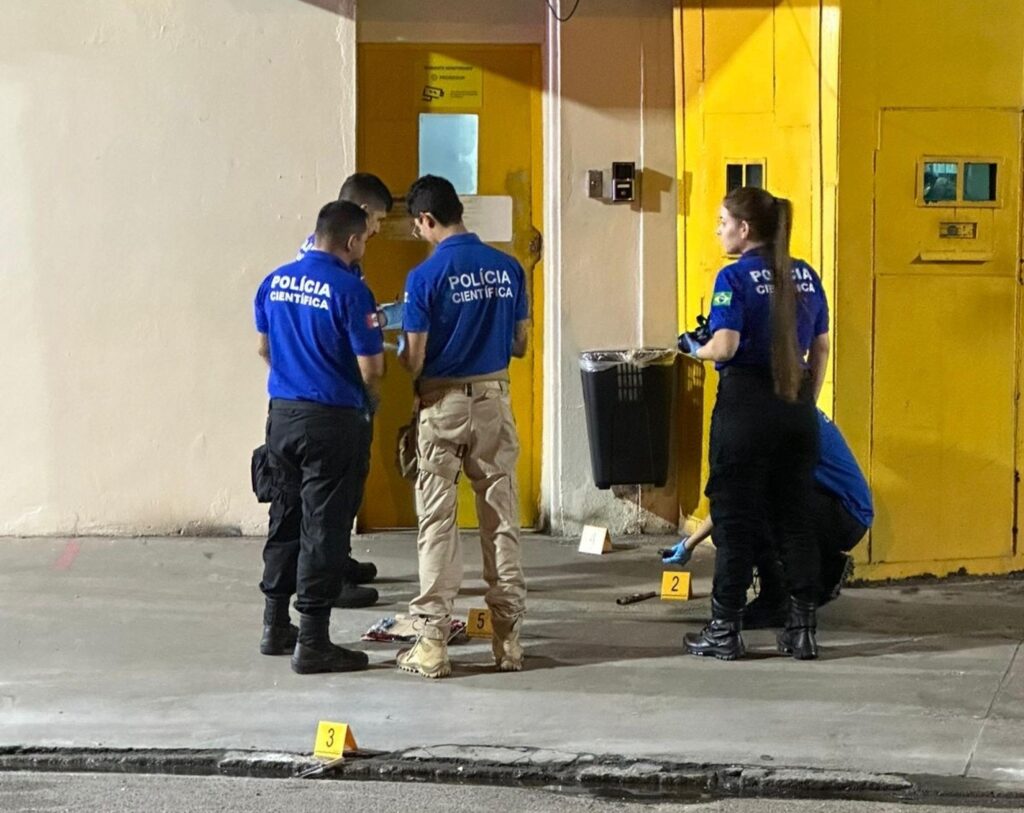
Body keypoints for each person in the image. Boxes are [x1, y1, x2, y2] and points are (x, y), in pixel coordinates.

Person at [679, 187, 830, 661]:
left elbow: (724, 345)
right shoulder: (805, 274)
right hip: (796, 408)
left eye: (722, 221)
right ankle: (802, 630)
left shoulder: (733, 277)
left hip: (746, 407)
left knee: (736, 519)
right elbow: (821, 347)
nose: (718, 230)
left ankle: (724, 629)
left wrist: (693, 348)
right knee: (795, 519)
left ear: (744, 229)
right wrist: (806, 400)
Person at [395, 175, 530, 679]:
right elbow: (520, 344)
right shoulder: (509, 268)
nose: (419, 234)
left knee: (437, 520)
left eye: (418, 226)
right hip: (494, 401)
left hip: (442, 405)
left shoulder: (424, 277)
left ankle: (432, 644)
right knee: (500, 516)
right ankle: (508, 640)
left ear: (427, 220)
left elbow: (415, 359)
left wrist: (399, 348)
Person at [254, 201, 384, 674]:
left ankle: (274, 625)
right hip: (332, 420)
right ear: (351, 241)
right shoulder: (351, 290)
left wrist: (294, 377)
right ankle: (313, 641)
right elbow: (372, 369)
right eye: (364, 239)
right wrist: (367, 406)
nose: (364, 246)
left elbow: (263, 348)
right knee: (323, 528)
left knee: (285, 516)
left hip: (282, 417)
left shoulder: (274, 281)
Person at [662, 409, 873, 624]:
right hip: (844, 512)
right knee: (752, 509)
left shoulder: (775, 422)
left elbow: (736, 500)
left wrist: (691, 544)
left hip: (843, 514)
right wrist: (689, 544)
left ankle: (775, 602)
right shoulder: (788, 407)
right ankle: (822, 572)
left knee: (742, 522)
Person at [296, 173, 394, 607]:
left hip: (322, 393)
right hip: (333, 397)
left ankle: (338, 558)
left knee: (345, 487)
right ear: (363, 214)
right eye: (379, 221)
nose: (378, 231)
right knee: (330, 495)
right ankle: (327, 578)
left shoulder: (329, 258)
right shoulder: (332, 267)